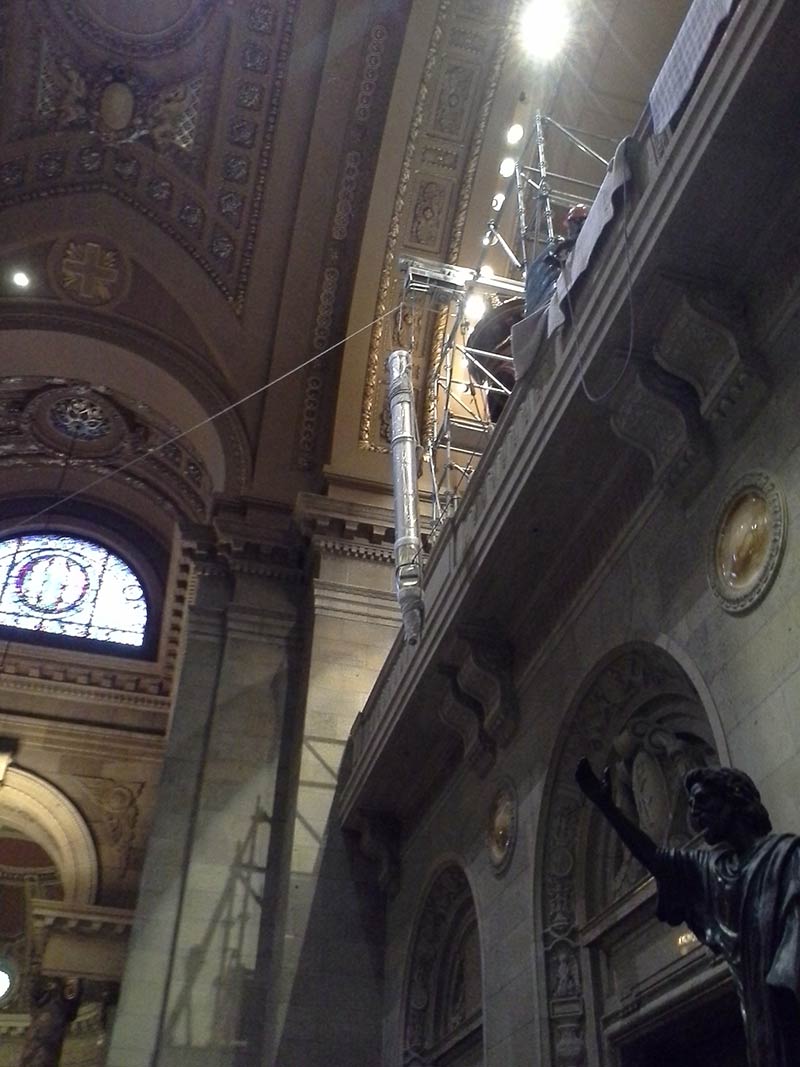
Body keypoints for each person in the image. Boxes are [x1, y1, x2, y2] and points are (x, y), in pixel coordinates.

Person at [575, 758, 800, 1067]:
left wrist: (783, 991)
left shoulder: (788, 856)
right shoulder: (716, 870)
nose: (694, 811)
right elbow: (656, 859)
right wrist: (606, 806)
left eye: (703, 800)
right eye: (691, 804)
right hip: (761, 1025)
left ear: (733, 798)